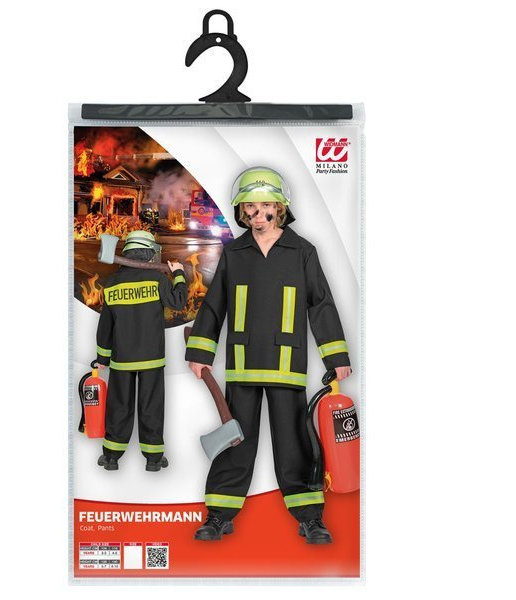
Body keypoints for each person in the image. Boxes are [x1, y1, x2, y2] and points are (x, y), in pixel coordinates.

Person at [185, 167, 351, 544]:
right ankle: (219, 514)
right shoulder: (234, 253)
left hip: (287, 366)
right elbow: (215, 305)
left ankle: (310, 518)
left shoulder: (302, 252)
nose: (257, 214)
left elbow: (321, 305)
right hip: (242, 365)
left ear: (279, 208)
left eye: (265, 207)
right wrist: (201, 351)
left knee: (295, 442)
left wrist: (336, 356)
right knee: (235, 441)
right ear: (241, 210)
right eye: (250, 207)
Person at [96, 230, 187, 471]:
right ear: (149, 254)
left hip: (122, 359)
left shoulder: (112, 283)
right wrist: (178, 274)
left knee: (119, 407)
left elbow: (105, 326)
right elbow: (178, 302)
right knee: (151, 407)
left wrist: (102, 357)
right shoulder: (157, 280)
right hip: (151, 359)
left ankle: (111, 457)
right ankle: (153, 459)